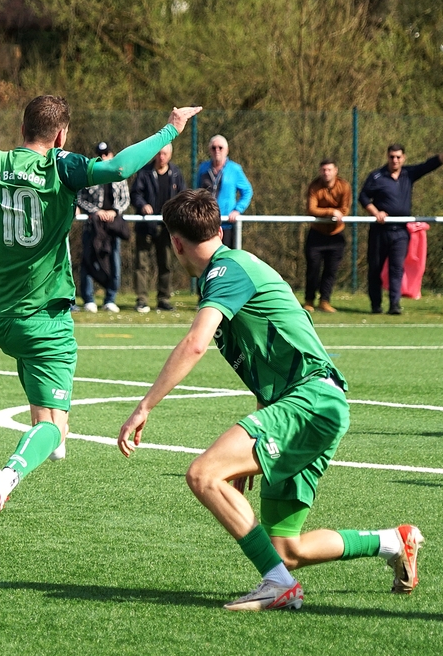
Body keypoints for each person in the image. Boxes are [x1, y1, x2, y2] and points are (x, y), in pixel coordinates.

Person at [0, 95, 203, 542]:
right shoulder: (62, 165)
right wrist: (171, 129)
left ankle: (43, 444)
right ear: (60, 134)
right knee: (53, 427)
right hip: (45, 320)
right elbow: (119, 169)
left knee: (47, 413)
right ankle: (9, 474)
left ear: (22, 129)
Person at [118, 190, 424, 611]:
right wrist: (258, 437)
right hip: (311, 404)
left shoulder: (226, 271)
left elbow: (195, 344)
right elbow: (271, 358)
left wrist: (144, 407)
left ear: (175, 243)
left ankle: (279, 586)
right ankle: (393, 541)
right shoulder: (233, 267)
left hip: (310, 402)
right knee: (285, 548)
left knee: (203, 475)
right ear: (219, 229)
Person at [359, 142, 443, 315]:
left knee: (396, 268)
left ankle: (394, 304)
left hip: (401, 231)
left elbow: (428, 165)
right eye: (392, 157)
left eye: (398, 157)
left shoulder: (408, 174)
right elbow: (363, 196)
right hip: (380, 231)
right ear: (387, 157)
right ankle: (376, 305)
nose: (395, 160)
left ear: (403, 158)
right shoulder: (377, 176)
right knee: (375, 268)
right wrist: (376, 212)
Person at [130, 144, 185, 313]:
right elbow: (135, 194)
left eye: (165, 153)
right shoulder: (144, 173)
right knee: (141, 264)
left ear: (170, 154)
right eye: (159, 153)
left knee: (165, 263)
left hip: (167, 228)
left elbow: (183, 196)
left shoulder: (176, 174)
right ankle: (142, 300)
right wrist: (142, 205)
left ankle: (164, 299)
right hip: (145, 227)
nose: (162, 157)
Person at [76, 141, 130, 313]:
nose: (103, 157)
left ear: (112, 155)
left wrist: (114, 211)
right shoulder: (89, 175)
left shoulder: (120, 174)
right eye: (100, 155)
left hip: (113, 226)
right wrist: (97, 211)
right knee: (88, 261)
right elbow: (80, 198)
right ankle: (88, 299)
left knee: (114, 262)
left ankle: (110, 299)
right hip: (93, 226)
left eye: (106, 154)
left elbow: (125, 199)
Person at [304, 159, 352, 314]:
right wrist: (331, 212)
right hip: (316, 234)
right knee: (313, 268)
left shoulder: (344, 186)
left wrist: (336, 213)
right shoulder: (314, 186)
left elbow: (344, 209)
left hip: (336, 235)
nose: (326, 173)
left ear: (335, 171)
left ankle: (324, 301)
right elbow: (312, 209)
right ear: (320, 171)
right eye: (323, 170)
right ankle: (309, 300)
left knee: (331, 270)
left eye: (329, 170)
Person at [195, 134, 252, 249]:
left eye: (220, 148)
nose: (217, 150)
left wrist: (237, 210)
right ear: (209, 150)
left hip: (227, 224)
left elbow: (247, 191)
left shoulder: (234, 169)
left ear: (227, 150)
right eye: (213, 148)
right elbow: (197, 192)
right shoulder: (203, 168)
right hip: (207, 222)